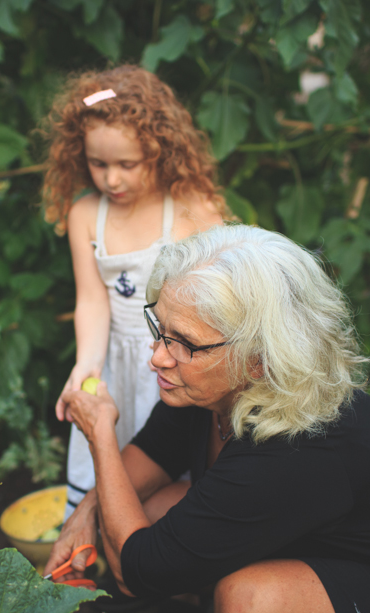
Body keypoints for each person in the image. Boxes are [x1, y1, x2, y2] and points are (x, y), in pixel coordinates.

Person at [47, 224, 370, 613]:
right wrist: (84, 515)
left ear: (259, 360)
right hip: (339, 553)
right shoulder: (208, 387)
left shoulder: (297, 446)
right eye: (160, 330)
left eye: (183, 343)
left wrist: (100, 436)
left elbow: (137, 571)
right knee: (145, 509)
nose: (158, 357)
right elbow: (151, 455)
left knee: (249, 606)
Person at [40, 65, 228, 519]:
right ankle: (100, 556)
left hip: (172, 363)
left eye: (128, 164)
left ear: (159, 151)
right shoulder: (86, 214)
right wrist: (87, 364)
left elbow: (225, 298)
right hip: (116, 367)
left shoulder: (189, 208)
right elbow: (92, 299)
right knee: (107, 464)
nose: (112, 180)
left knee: (164, 476)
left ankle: (160, 563)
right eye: (98, 164)